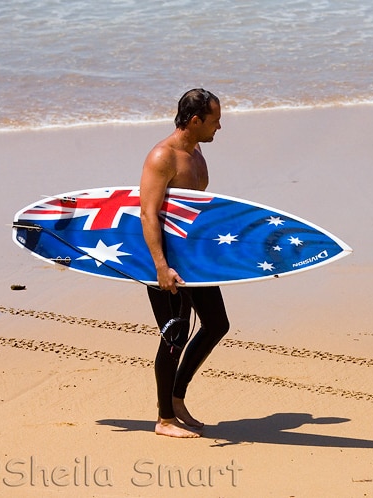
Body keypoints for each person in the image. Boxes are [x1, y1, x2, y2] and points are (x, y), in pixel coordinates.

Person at [140, 88, 230, 438]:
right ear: (195, 121)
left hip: (193, 260)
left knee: (216, 323)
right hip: (166, 262)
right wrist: (161, 266)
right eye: (214, 120)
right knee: (174, 336)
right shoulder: (163, 156)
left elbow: (196, 212)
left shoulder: (197, 156)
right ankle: (163, 419)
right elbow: (148, 214)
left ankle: (176, 399)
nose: (219, 127)